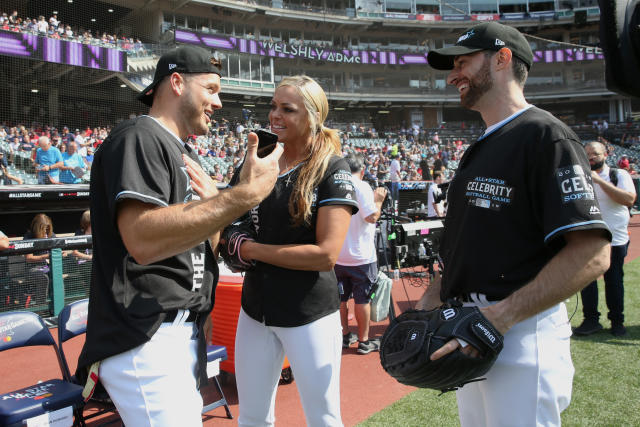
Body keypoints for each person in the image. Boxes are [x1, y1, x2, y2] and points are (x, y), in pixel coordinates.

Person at [76, 45, 282, 427]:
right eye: (211, 89)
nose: (218, 102)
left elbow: (207, 246)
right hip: (144, 334)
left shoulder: (187, 153)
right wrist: (243, 196)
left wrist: (217, 208)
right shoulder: (139, 135)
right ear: (176, 83)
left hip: (182, 333)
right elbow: (141, 240)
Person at [417, 22, 611, 426]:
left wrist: (499, 317)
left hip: (521, 332)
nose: (453, 75)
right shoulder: (484, 144)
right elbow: (468, 244)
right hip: (469, 329)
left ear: (502, 59)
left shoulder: (546, 136)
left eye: (464, 62)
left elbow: (593, 254)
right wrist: (432, 300)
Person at [222, 75, 358, 426]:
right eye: (273, 107)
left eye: (287, 109)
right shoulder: (258, 160)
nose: (275, 116)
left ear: (312, 117)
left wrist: (250, 249)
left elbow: (326, 254)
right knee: (251, 417)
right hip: (255, 310)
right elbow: (230, 217)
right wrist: (233, 236)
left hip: (308, 312)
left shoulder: (332, 168)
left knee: (324, 419)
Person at [574, 141, 636, 336]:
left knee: (614, 281)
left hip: (615, 238)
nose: (591, 157)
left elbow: (628, 199)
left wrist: (599, 181)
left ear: (606, 155)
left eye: (595, 154)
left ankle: (617, 321)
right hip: (588, 237)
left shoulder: (618, 175)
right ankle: (591, 320)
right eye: (588, 154)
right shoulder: (580, 177)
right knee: (586, 281)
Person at [335, 152, 387, 354]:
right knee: (362, 299)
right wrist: (379, 200)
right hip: (361, 257)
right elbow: (371, 217)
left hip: (339, 255)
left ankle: (345, 335)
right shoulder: (363, 186)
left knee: (341, 298)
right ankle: (364, 341)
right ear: (362, 171)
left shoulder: (338, 185)